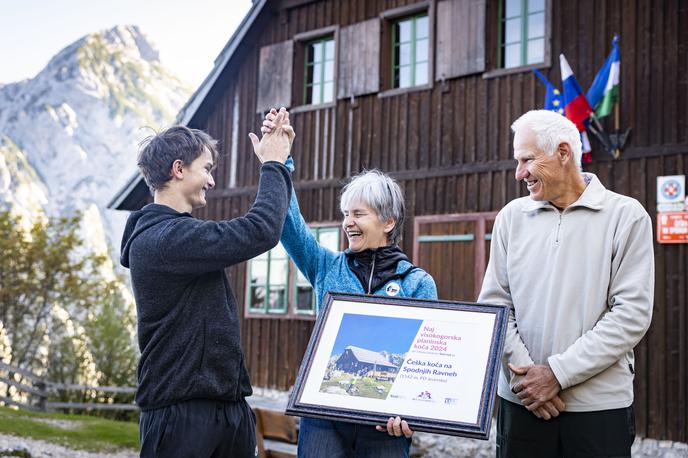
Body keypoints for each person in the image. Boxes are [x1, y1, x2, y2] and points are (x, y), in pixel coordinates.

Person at [261, 109, 438, 458]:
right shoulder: (326, 267)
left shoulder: (418, 284)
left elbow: (425, 363)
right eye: (345, 214)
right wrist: (281, 162)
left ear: (388, 221)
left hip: (385, 426)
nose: (347, 223)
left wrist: (413, 411)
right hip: (323, 419)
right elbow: (288, 223)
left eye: (358, 214)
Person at [478, 109, 654, 457]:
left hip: (598, 410)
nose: (519, 173)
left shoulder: (627, 216)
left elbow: (630, 314)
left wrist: (557, 374)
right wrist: (526, 381)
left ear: (562, 153)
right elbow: (495, 304)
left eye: (527, 159)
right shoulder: (511, 218)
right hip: (521, 404)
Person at [120, 111, 294, 458]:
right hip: (183, 416)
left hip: (225, 407)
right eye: (207, 169)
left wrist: (280, 160)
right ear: (179, 169)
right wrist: (273, 164)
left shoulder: (179, 237)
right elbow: (260, 229)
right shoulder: (165, 239)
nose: (211, 181)